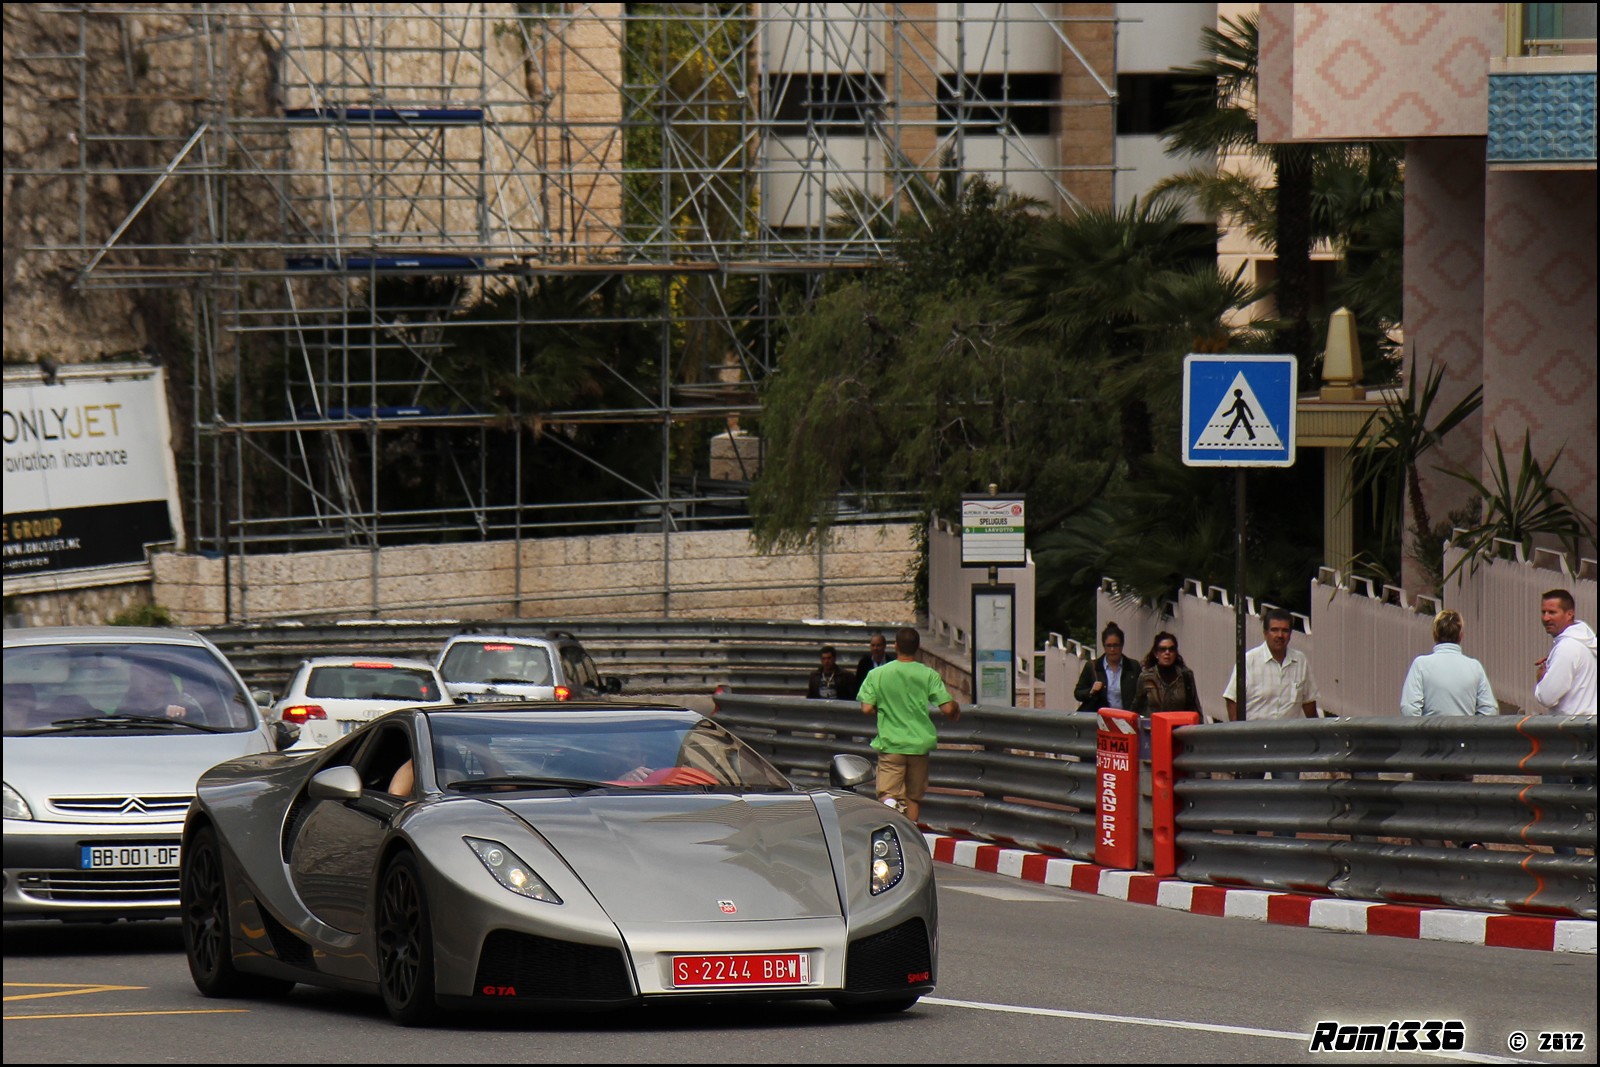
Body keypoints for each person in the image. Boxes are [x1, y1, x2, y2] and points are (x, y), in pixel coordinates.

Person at [856, 627, 960, 822]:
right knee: (913, 798)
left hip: (892, 744)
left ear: (895, 646)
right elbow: (947, 709)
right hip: (919, 746)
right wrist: (956, 711)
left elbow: (866, 708)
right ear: (917, 647)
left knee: (887, 792)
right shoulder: (928, 674)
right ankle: (912, 833)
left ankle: (891, 805)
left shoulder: (878, 674)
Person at [1223, 609, 1319, 722]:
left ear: (1290, 634)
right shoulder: (1249, 661)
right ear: (1265, 633)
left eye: (1285, 630)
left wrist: (1317, 735)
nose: (1280, 635)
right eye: (1274, 630)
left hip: (1288, 737)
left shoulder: (1300, 661)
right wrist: (1237, 734)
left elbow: (1309, 703)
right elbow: (1232, 699)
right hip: (1255, 735)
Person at [1400, 610, 1498, 717]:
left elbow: (1409, 709)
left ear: (1434, 633)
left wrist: (1423, 731)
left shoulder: (1421, 665)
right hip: (1464, 732)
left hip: (1432, 732)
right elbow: (1490, 710)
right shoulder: (1475, 667)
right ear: (1461, 635)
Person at [1534, 589, 1597, 715]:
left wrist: (1542, 678)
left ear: (1569, 614)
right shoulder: (1583, 643)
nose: (1546, 618)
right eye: (1543, 612)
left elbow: (1547, 697)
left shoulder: (1567, 648)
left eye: (1552, 612)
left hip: (1572, 728)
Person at [1132, 632, 1202, 717]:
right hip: (1154, 727)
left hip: (1180, 726)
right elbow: (1137, 708)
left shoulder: (1186, 675)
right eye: (1163, 649)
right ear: (1156, 653)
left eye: (1171, 649)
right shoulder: (1146, 677)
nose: (1167, 653)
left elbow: (1195, 707)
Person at [1074, 622, 1139, 712]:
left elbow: (1141, 696)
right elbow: (1078, 693)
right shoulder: (1093, 667)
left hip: (1126, 719)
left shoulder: (1133, 667)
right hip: (1101, 720)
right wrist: (1091, 691)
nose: (1112, 649)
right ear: (1104, 646)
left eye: (1116, 645)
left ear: (1122, 645)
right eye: (1108, 645)